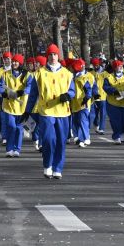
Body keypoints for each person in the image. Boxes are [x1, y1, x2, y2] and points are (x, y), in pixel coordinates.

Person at [25, 44, 73, 179]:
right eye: (50, 54)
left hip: (63, 112)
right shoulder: (39, 73)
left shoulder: (67, 74)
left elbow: (72, 90)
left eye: (55, 54)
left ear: (58, 56)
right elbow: (33, 95)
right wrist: (27, 111)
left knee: (61, 141)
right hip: (46, 112)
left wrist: (68, 95)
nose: (53, 57)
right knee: (48, 140)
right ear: (47, 56)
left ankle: (57, 168)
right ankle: (48, 165)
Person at [0, 54, 28, 158]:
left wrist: (21, 92)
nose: (14, 63)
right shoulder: (5, 74)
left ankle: (17, 149)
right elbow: (0, 86)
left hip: (21, 106)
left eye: (16, 61)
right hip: (9, 105)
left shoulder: (26, 75)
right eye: (13, 61)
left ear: (20, 63)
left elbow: (30, 87)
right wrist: (3, 93)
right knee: (11, 126)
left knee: (19, 128)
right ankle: (9, 149)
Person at [102, 59, 124, 143]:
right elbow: (105, 87)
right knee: (115, 121)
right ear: (114, 68)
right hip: (113, 103)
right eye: (117, 66)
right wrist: (114, 91)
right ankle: (116, 136)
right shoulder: (108, 77)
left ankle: (123, 132)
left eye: (120, 66)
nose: (119, 68)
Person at [68, 59, 94, 146]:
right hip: (74, 103)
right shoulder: (72, 77)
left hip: (83, 103)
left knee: (83, 120)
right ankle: (77, 137)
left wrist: (87, 98)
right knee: (75, 121)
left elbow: (88, 89)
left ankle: (85, 138)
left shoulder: (84, 78)